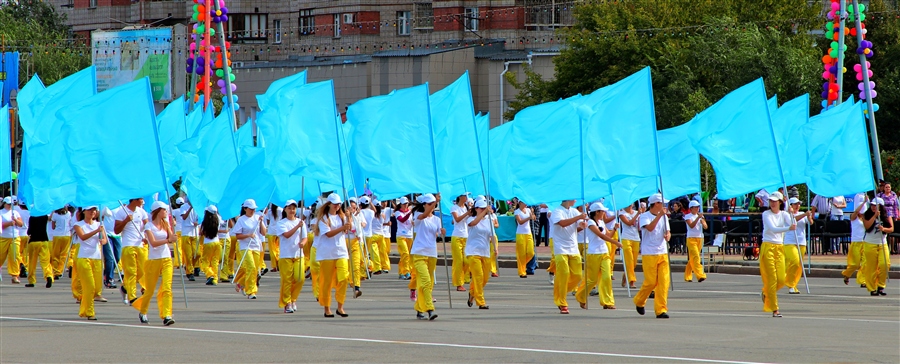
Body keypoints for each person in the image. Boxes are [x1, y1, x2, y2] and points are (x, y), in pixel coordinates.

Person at [134, 201, 176, 325]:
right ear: (158, 211)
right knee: (150, 290)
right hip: (154, 260)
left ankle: (167, 315)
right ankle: (143, 311)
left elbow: (171, 238)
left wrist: (172, 233)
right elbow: (153, 243)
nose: (166, 212)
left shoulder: (165, 223)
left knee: (167, 288)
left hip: (167, 258)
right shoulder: (149, 226)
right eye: (164, 210)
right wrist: (168, 239)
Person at [576, 203, 622, 310]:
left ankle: (607, 302)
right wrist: (616, 243)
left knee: (606, 277)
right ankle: (581, 296)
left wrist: (614, 229)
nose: (604, 213)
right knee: (592, 280)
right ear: (597, 212)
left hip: (604, 253)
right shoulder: (590, 222)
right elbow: (601, 236)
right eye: (602, 211)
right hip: (593, 254)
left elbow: (608, 235)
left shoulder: (601, 222)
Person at [634, 194, 672, 319]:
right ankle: (639, 301)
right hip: (649, 253)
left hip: (662, 252)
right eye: (662, 203)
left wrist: (668, 235)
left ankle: (661, 309)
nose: (665, 206)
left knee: (664, 282)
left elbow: (668, 231)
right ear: (656, 204)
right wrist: (660, 216)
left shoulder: (664, 217)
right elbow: (650, 228)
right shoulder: (644, 216)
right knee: (650, 282)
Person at [313, 193, 351, 318]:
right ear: (329, 204)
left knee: (344, 278)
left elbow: (347, 229)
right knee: (327, 282)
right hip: (327, 253)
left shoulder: (342, 216)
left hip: (341, 252)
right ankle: (327, 308)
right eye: (335, 204)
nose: (337, 206)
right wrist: (342, 227)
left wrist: (349, 218)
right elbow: (328, 234)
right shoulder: (323, 218)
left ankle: (340, 307)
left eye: (339, 204)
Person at [759, 191, 795, 317]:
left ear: (780, 202)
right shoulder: (766, 214)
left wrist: (791, 213)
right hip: (768, 246)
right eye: (771, 201)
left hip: (779, 247)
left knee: (781, 279)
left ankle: (766, 292)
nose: (772, 203)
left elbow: (792, 223)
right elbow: (773, 229)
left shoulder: (784, 214)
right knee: (772, 279)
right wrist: (788, 228)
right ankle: (775, 309)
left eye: (775, 201)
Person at [409, 193, 443, 320]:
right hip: (418, 253)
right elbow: (424, 215)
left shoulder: (437, 219)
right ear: (424, 205)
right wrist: (435, 202)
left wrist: (442, 233)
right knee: (425, 281)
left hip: (432, 253)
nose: (432, 206)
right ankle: (429, 309)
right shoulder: (418, 216)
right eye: (429, 204)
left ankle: (419, 308)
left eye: (433, 204)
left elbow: (439, 234)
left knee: (428, 284)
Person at [550, 199, 585, 314]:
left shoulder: (574, 211)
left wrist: (582, 225)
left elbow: (576, 227)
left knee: (578, 275)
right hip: (560, 248)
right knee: (563, 274)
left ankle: (561, 291)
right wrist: (578, 218)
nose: (575, 200)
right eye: (573, 198)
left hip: (573, 248)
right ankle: (562, 302)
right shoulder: (557, 211)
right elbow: (562, 223)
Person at [74, 206, 108, 320]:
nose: (92, 212)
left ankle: (84, 309)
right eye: (90, 210)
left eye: (94, 210)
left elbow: (105, 240)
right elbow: (83, 237)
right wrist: (96, 231)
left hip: (97, 258)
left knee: (97, 287)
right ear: (84, 211)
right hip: (84, 258)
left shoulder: (99, 224)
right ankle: (90, 312)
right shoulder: (78, 225)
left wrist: (102, 240)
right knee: (90, 286)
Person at [114, 198, 149, 305]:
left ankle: (125, 287)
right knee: (131, 272)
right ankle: (132, 296)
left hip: (140, 244)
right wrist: (125, 221)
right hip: (128, 244)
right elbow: (116, 230)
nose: (143, 201)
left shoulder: (141, 212)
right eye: (141, 199)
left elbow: (147, 226)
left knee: (142, 271)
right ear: (134, 200)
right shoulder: (122, 211)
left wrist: (147, 236)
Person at [231, 199, 267, 299]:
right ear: (245, 209)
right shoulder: (241, 220)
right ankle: (251, 291)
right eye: (250, 209)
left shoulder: (257, 218)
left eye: (254, 209)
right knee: (251, 267)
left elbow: (264, 233)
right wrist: (248, 235)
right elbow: (238, 236)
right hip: (245, 247)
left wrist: (261, 222)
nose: (252, 211)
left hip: (256, 246)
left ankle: (241, 283)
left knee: (255, 270)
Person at [277, 200, 308, 313]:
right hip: (286, 255)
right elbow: (286, 235)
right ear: (285, 209)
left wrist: (303, 243)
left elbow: (305, 237)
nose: (292, 210)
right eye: (289, 208)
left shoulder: (301, 222)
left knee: (300, 278)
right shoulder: (281, 223)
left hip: (298, 254)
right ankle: (287, 302)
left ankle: (293, 298)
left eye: (293, 208)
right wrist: (297, 227)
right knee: (287, 280)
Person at [466, 198, 494, 309]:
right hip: (473, 252)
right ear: (476, 209)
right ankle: (481, 302)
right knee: (478, 277)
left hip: (485, 252)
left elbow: (492, 235)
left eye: (484, 208)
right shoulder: (470, 219)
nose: (483, 210)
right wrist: (484, 213)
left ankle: (472, 293)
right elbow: (474, 223)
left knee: (485, 278)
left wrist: (495, 248)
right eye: (481, 208)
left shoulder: (489, 220)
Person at [861, 198, 892, 296]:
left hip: (882, 243)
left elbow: (891, 229)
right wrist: (874, 216)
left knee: (885, 265)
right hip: (870, 243)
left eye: (876, 205)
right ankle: (872, 288)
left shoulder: (887, 216)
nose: (874, 207)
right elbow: (867, 226)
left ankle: (881, 286)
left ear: (881, 206)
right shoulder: (867, 214)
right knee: (871, 267)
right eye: (872, 205)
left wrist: (884, 229)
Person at [784, 197, 813, 294]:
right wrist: (805, 214)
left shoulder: (802, 214)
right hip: (790, 241)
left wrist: (809, 216)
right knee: (794, 261)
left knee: (799, 265)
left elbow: (811, 223)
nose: (797, 206)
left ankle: (793, 285)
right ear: (791, 205)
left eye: (799, 204)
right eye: (795, 204)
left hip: (801, 241)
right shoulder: (787, 214)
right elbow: (794, 220)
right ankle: (790, 283)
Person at [843, 195, 868, 287]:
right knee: (855, 264)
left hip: (865, 242)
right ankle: (847, 274)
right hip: (856, 242)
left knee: (865, 263)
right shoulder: (853, 217)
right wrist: (864, 202)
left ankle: (862, 280)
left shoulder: (866, 218)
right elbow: (857, 211)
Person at [24, 212, 53, 288]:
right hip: (44, 240)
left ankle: (31, 281)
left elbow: (29, 231)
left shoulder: (32, 217)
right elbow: (50, 218)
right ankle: (48, 275)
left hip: (34, 241)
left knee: (32, 262)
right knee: (45, 261)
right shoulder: (44, 216)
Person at [0, 197, 24, 284]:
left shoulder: (15, 212)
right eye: (8, 204)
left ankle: (15, 275)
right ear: (4, 203)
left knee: (15, 256)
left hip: (15, 237)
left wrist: (16, 220)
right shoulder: (1, 212)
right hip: (3, 238)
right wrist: (9, 223)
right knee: (1, 256)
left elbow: (21, 224)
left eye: (11, 204)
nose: (10, 206)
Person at [683, 200, 708, 283]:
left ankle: (688, 276)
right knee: (696, 257)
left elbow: (705, 227)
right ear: (691, 208)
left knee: (692, 258)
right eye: (696, 207)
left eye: (698, 207)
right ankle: (700, 275)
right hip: (691, 239)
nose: (698, 208)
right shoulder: (687, 216)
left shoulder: (701, 216)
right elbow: (691, 225)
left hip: (700, 238)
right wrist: (698, 218)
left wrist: (703, 223)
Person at [618, 203, 641, 289]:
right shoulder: (621, 213)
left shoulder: (637, 212)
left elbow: (639, 226)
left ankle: (626, 274)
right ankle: (632, 281)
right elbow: (629, 223)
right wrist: (638, 214)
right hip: (626, 238)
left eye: (630, 204)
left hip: (636, 238)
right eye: (627, 204)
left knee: (634, 263)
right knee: (629, 260)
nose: (629, 206)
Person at [199, 206, 223, 286]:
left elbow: (201, 233)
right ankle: (215, 279)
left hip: (208, 243)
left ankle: (210, 274)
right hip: (217, 242)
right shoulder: (219, 219)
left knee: (205, 262)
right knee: (215, 262)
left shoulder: (205, 221)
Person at [450, 195, 469, 291]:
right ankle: (458, 283)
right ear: (460, 197)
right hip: (457, 237)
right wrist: (467, 213)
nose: (466, 198)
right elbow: (457, 219)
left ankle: (464, 278)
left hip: (466, 236)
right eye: (464, 196)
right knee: (458, 261)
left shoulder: (466, 207)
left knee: (467, 260)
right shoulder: (454, 207)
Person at [513, 200, 536, 278]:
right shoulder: (517, 212)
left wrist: (532, 213)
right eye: (524, 202)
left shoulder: (528, 210)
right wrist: (529, 217)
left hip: (528, 233)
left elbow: (534, 218)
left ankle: (522, 265)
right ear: (520, 203)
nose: (526, 204)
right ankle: (522, 272)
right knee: (521, 254)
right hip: (520, 234)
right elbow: (520, 222)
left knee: (531, 252)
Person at [100, 207, 121, 289]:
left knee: (117, 257)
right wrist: (102, 213)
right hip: (106, 234)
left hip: (117, 235)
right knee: (110, 258)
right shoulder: (106, 205)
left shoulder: (121, 206)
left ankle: (107, 273)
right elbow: (98, 216)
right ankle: (109, 279)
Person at [49, 207, 72, 280]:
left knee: (55, 255)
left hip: (57, 235)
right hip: (67, 235)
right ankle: (60, 271)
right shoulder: (69, 213)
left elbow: (53, 227)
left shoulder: (55, 215)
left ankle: (55, 271)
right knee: (64, 255)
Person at [394, 197, 414, 283]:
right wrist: (409, 213)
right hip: (401, 235)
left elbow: (412, 221)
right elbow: (402, 220)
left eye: (407, 203)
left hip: (409, 235)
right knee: (405, 253)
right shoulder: (397, 212)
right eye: (404, 204)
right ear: (401, 204)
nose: (406, 205)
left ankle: (401, 272)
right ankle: (406, 272)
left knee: (406, 255)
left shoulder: (410, 213)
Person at [265, 203, 283, 273]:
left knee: (272, 250)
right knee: (278, 248)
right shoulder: (281, 210)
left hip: (271, 232)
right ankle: (279, 262)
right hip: (279, 231)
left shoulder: (270, 211)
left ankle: (274, 266)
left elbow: (268, 221)